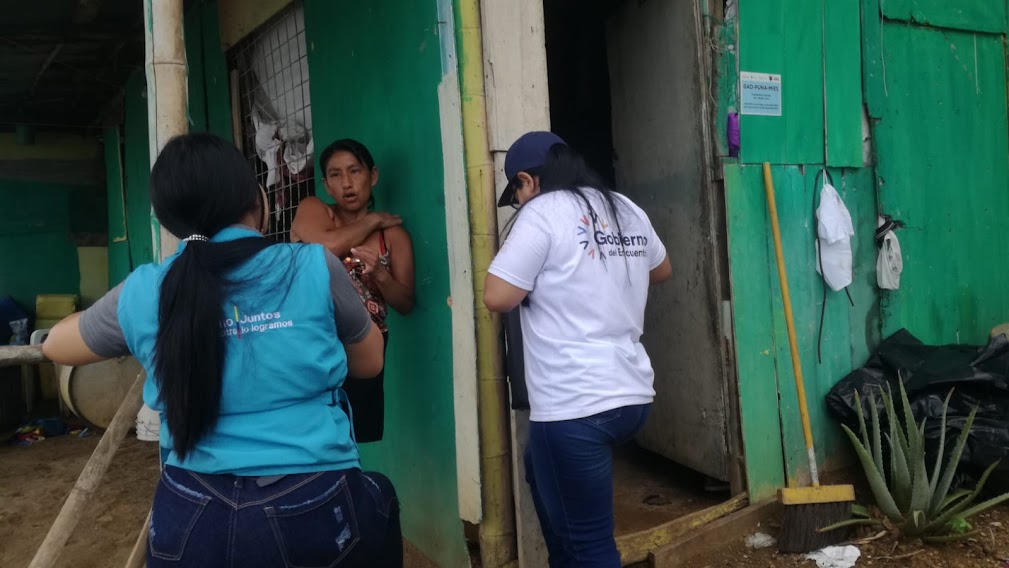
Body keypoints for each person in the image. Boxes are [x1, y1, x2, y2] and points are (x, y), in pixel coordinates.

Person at [42, 133, 403, 568]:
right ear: (256, 198)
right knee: (380, 495)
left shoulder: (147, 289)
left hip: (188, 513)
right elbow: (370, 361)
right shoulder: (311, 265)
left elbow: (56, 344)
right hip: (313, 505)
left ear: (169, 218)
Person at [483, 131, 672, 567]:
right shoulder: (624, 207)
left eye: (516, 194)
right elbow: (661, 269)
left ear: (526, 181)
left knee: (590, 545)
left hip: (575, 405)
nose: (518, 202)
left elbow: (497, 296)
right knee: (538, 465)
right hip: (631, 396)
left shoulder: (542, 211)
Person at [291, 139, 415, 443]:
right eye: (335, 175)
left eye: (354, 171)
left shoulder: (392, 236)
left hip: (366, 345)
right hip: (314, 339)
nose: (346, 183)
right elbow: (326, 246)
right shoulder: (315, 210)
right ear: (326, 184)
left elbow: (405, 303)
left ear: (373, 176)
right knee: (312, 429)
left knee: (354, 436)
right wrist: (373, 219)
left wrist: (381, 275)